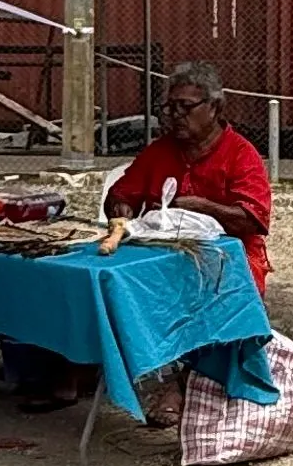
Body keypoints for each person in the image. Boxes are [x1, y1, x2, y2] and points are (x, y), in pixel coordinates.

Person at [105, 60, 273, 294]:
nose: (175, 115)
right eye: (170, 107)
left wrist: (202, 207)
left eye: (185, 107)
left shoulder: (240, 154)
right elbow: (120, 194)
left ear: (214, 107)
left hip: (227, 261)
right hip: (160, 257)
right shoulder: (158, 151)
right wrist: (120, 208)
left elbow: (252, 220)